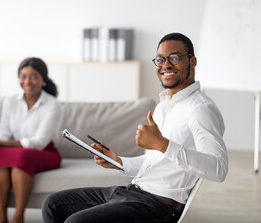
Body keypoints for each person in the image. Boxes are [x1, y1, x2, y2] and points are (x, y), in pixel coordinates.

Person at [42, 33, 229, 223]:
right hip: (133, 191)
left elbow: (219, 169)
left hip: (158, 206)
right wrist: (117, 161)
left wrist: (163, 144)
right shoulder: (164, 106)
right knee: (53, 204)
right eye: (160, 59)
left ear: (193, 61)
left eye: (174, 57)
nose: (166, 65)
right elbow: (154, 163)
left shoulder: (200, 109)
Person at [0, 57, 61, 223]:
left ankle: (18, 217)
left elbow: (38, 142)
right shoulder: (10, 101)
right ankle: (1, 218)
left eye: (34, 77)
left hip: (44, 152)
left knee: (20, 156)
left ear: (43, 80)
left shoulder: (52, 105)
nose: (27, 81)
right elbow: (4, 132)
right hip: (15, 150)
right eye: (23, 76)